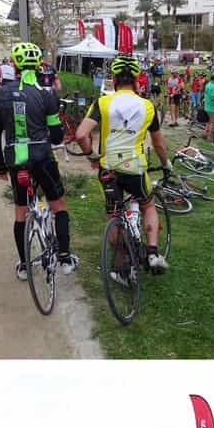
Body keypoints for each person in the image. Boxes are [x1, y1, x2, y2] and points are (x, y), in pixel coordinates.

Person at [76, 53, 172, 274]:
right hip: (135, 167)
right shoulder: (148, 106)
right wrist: (166, 164)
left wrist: (91, 155)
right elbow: (158, 143)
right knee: (148, 205)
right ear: (136, 80)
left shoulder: (102, 102)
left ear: (114, 79)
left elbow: (81, 134)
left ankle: (120, 268)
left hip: (108, 167)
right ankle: (152, 254)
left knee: (114, 215)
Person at [0, 41, 79, 280]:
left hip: (16, 159)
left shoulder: (0, 94)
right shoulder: (46, 93)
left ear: (14, 65)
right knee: (58, 205)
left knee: (21, 211)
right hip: (42, 156)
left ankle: (24, 265)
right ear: (39, 64)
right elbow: (57, 135)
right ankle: (64, 258)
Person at [201, 71, 214, 142]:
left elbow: (209, 95)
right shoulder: (213, 87)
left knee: (209, 121)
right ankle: (209, 136)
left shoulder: (208, 85)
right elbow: (213, 98)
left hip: (207, 106)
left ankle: (205, 133)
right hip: (212, 107)